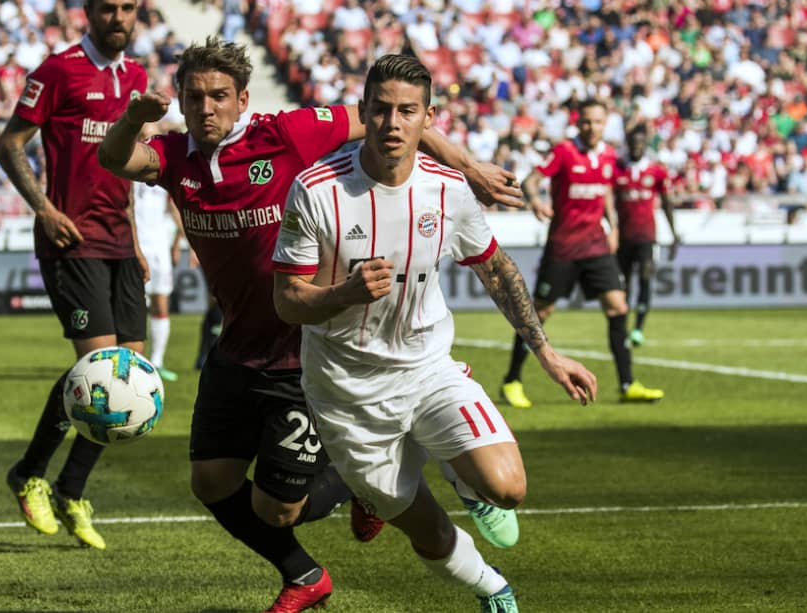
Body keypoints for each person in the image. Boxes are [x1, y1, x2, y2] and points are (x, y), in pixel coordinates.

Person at [97, 38, 523, 612]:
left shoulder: (287, 133)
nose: (206, 107)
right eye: (194, 97)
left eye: (219, 96)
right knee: (211, 482)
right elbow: (115, 159)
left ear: (242, 99)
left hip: (302, 349)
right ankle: (304, 573)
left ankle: (361, 483)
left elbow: (393, 119)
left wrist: (469, 169)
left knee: (280, 509)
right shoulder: (175, 157)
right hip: (238, 346)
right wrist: (133, 119)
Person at [271, 54, 598, 612]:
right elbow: (286, 301)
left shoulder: (448, 189)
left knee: (508, 488)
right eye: (380, 110)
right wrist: (343, 294)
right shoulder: (316, 189)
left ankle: (461, 474)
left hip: (427, 370)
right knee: (429, 531)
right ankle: (492, 586)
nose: (392, 124)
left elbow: (496, 269)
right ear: (363, 112)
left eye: (407, 111)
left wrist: (545, 352)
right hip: (346, 392)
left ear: (429, 118)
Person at [0, 0, 148, 551]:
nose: (118, 17)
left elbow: (128, 169)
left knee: (131, 376)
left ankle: (71, 490)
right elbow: (9, 143)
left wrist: (136, 242)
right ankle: (29, 473)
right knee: (99, 369)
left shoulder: (137, 78)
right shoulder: (58, 70)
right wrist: (43, 208)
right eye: (108, 8)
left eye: (128, 8)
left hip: (120, 242)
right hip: (73, 240)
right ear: (89, 12)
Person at [500, 99, 664, 407]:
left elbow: (606, 192)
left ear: (605, 124)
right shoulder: (564, 151)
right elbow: (531, 181)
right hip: (563, 247)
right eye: (587, 122)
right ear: (579, 123)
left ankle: (627, 384)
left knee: (618, 306)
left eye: (598, 122)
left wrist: (613, 227)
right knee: (539, 313)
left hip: (596, 245)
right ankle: (512, 380)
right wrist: (535, 201)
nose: (592, 127)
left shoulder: (608, 155)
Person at [614, 125, 680, 347]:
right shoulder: (617, 170)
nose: (636, 148)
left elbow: (668, 204)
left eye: (640, 144)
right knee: (623, 284)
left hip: (646, 236)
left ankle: (638, 328)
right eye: (633, 144)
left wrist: (674, 234)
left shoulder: (656, 171)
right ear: (628, 145)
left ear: (646, 146)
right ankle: (622, 327)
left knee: (645, 277)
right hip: (623, 237)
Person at [133, 176, 184, 381]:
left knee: (161, 304)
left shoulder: (162, 176)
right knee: (135, 305)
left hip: (159, 248)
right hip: (135, 246)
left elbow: (175, 209)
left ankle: (157, 362)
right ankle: (134, 361)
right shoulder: (128, 175)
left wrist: (179, 241)